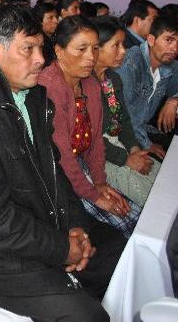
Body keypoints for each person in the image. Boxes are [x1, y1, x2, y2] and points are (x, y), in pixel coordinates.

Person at [0, 5, 125, 321]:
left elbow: (54, 167)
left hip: (42, 222)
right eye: (28, 49)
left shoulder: (31, 95)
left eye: (40, 47)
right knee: (86, 316)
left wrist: (75, 223)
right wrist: (62, 248)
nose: (40, 59)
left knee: (120, 254)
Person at [39, 16, 140, 238]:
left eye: (95, 49)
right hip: (54, 173)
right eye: (81, 49)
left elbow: (95, 142)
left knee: (131, 214)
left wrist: (101, 183)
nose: (90, 57)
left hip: (80, 165)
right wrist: (93, 195)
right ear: (59, 51)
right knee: (121, 225)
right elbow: (62, 155)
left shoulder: (91, 84)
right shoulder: (50, 87)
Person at [91, 16, 160, 207]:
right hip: (99, 155)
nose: (123, 51)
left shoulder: (112, 79)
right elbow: (89, 140)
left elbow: (124, 121)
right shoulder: (82, 85)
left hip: (121, 146)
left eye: (123, 44)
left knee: (162, 182)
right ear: (96, 48)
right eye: (116, 45)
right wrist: (126, 158)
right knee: (152, 201)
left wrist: (135, 149)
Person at [115, 15, 178, 153]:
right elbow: (124, 116)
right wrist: (148, 145)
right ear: (151, 40)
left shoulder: (170, 64)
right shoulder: (131, 63)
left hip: (143, 128)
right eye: (169, 40)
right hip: (121, 134)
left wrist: (173, 101)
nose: (175, 48)